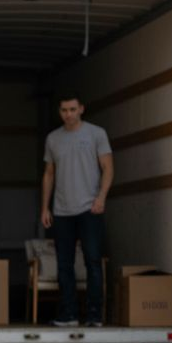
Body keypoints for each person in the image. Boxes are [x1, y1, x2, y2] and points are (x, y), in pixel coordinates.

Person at [40, 94, 114, 327]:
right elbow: (49, 173)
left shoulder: (96, 134)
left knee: (93, 261)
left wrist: (101, 197)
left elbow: (108, 167)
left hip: (89, 208)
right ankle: (69, 314)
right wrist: (45, 207)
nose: (68, 114)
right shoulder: (53, 138)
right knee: (65, 265)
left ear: (81, 109)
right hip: (62, 211)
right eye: (64, 110)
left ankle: (94, 314)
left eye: (72, 109)